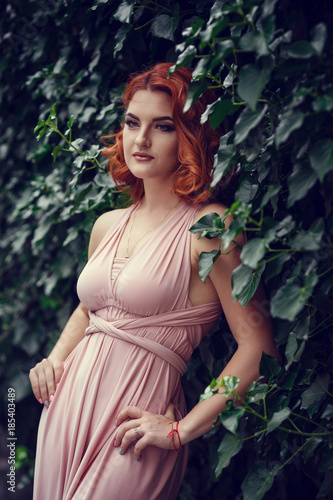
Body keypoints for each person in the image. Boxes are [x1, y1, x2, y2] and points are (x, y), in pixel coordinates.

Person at [29, 62, 279, 500]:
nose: (140, 139)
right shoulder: (107, 225)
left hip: (135, 431)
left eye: (162, 126)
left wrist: (183, 429)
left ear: (190, 136)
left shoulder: (211, 227)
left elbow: (259, 349)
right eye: (132, 122)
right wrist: (54, 359)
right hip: (65, 415)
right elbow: (92, 310)